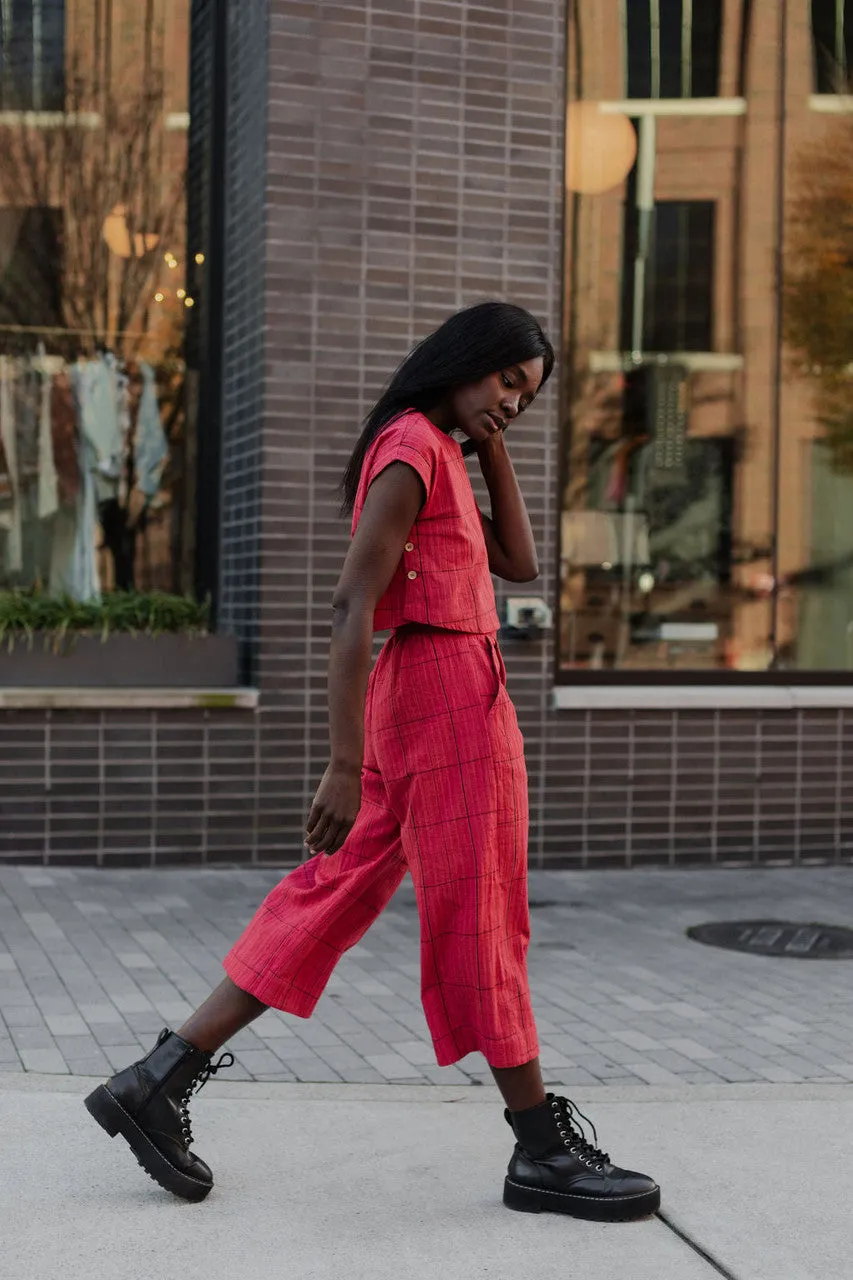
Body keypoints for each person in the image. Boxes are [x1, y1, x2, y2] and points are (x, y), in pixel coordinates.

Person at [84, 301, 660, 1221]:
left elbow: (519, 563)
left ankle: (156, 1078)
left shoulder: (437, 446)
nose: (514, 401)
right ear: (464, 360)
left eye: (528, 395)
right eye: (507, 380)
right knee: (484, 916)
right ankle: (541, 1153)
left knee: (330, 897)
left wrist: (492, 438)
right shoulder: (411, 448)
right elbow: (352, 604)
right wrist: (340, 762)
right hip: (443, 699)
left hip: (430, 692)